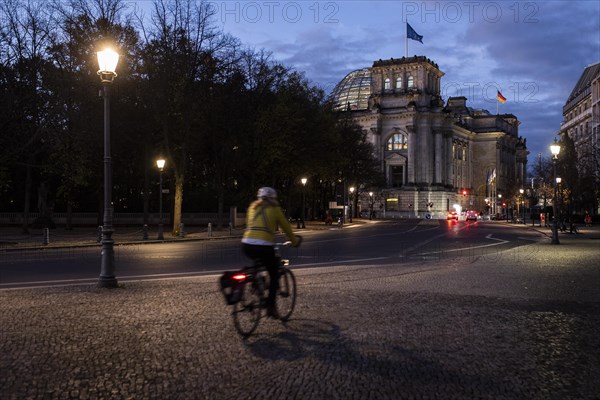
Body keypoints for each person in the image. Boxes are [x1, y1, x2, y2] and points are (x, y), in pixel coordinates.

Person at [242, 187, 301, 318]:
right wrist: (294, 241)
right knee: (274, 274)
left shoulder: (252, 208)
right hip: (264, 246)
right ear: (273, 198)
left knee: (257, 264)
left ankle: (257, 282)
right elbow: (286, 227)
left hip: (246, 244)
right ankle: (271, 307)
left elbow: (248, 225)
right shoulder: (275, 209)